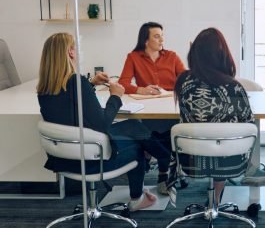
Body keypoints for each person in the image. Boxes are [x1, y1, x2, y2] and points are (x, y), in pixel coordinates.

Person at [37, 32, 173, 212]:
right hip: (91, 160)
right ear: (70, 52)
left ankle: (165, 157)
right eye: (76, 48)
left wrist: (90, 83)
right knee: (138, 143)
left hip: (64, 159)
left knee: (132, 126)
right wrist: (115, 96)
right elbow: (103, 123)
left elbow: (71, 105)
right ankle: (140, 194)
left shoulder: (44, 88)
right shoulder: (77, 83)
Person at [169, 27, 265, 205]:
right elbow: (248, 124)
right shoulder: (233, 87)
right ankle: (218, 197)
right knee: (224, 139)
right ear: (222, 55)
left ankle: (213, 200)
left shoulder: (183, 82)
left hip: (191, 159)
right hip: (230, 161)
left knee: (214, 139)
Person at [119, 22, 186, 194]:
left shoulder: (172, 56)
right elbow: (123, 83)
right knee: (149, 132)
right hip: (148, 109)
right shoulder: (133, 57)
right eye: (157, 36)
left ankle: (163, 174)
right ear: (146, 40)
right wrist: (140, 89)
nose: (161, 39)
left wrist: (170, 90)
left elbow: (186, 79)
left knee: (168, 131)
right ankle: (158, 169)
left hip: (170, 106)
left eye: (162, 35)